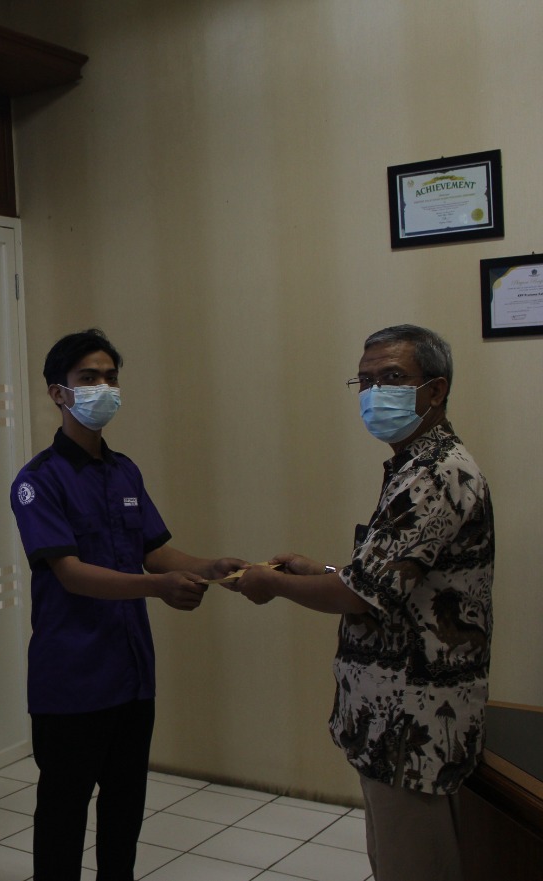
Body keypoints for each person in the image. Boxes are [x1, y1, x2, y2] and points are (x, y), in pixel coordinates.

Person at [233, 324, 493, 881]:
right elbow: (389, 581)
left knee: (414, 865)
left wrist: (271, 584)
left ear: (435, 390)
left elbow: (360, 594)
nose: (375, 393)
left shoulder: (435, 474)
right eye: (365, 381)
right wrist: (322, 571)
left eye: (392, 378)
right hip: (389, 718)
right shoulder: (412, 466)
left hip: (415, 724)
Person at [10, 328, 247, 881]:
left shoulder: (125, 471)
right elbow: (70, 573)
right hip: (71, 679)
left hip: (131, 675)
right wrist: (158, 588)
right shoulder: (37, 481)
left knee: (124, 810)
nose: (104, 388)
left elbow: (154, 552)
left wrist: (210, 567)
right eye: (88, 378)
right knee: (63, 814)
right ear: (58, 392)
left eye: (110, 377)